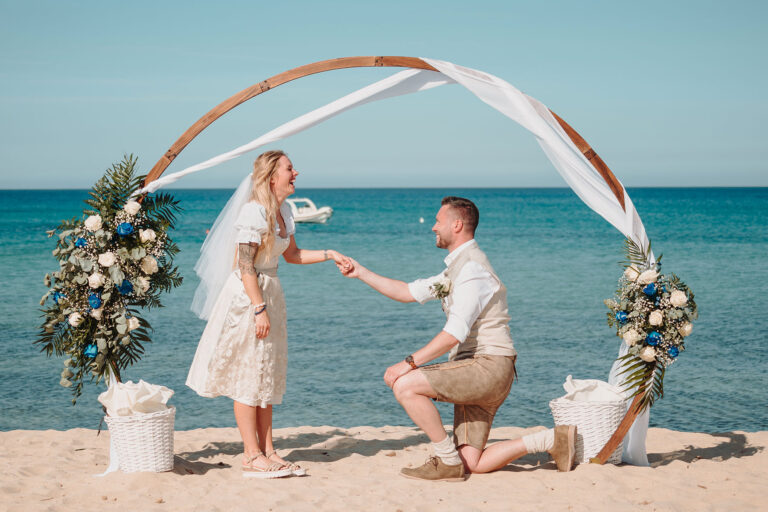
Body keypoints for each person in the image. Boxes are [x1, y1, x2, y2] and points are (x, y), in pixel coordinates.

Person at [339, 196, 576, 481]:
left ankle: (446, 460)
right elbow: (406, 292)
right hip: (480, 371)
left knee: (405, 385)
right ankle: (551, 440)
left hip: (487, 368)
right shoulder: (456, 268)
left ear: (457, 225)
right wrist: (360, 272)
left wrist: (408, 363)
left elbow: (454, 333)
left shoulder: (473, 270)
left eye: (438, 221)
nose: (433, 227)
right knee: (473, 462)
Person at [187, 150, 348, 478]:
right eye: (290, 169)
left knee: (265, 374)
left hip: (272, 292)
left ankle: (269, 451)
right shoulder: (253, 212)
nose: (296, 173)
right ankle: (251, 455)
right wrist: (258, 307)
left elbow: (293, 255)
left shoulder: (284, 211)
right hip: (250, 297)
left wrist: (330, 254)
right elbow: (245, 263)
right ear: (272, 176)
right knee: (248, 374)